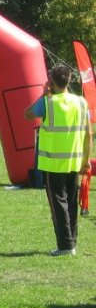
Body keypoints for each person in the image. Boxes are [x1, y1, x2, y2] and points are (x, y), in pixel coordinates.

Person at [24, 64, 92, 256]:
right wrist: (86, 159)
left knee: (58, 204)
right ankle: (72, 242)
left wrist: (43, 94)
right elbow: (88, 133)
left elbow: (27, 114)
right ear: (70, 80)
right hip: (74, 160)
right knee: (71, 202)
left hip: (53, 162)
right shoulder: (81, 103)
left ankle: (65, 245)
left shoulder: (48, 102)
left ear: (51, 81)